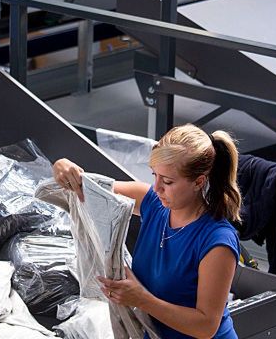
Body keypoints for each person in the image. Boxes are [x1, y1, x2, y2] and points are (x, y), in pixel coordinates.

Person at [53, 124, 242, 339]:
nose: (157, 187)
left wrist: (141, 299)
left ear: (199, 182)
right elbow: (88, 189)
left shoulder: (217, 241)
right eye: (155, 175)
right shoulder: (153, 202)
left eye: (168, 181)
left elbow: (206, 326)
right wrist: (65, 168)